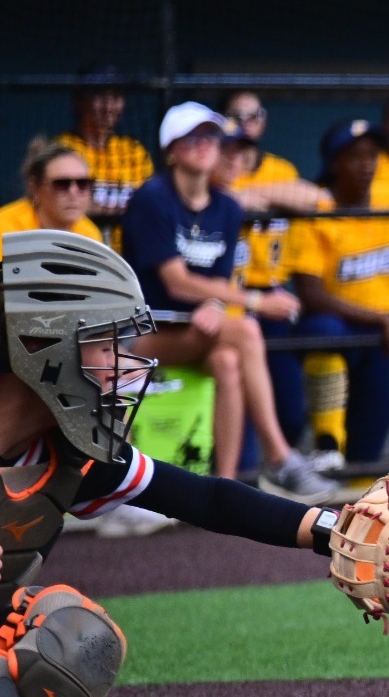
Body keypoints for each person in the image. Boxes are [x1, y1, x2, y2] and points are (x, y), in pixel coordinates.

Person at [0, 229, 389, 697]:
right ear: (38, 345)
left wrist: (336, 528)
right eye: (103, 345)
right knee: (62, 641)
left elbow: (203, 495)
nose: (122, 367)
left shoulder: (68, 452)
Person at [120, 103, 335, 497]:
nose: (204, 145)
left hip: (197, 333)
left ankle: (225, 486)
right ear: (170, 149)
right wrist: (253, 301)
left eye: (210, 138)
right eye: (191, 138)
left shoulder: (227, 207)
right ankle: (280, 457)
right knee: (249, 329)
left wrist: (215, 307)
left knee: (228, 359)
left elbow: (214, 282)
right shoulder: (153, 198)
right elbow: (177, 281)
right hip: (140, 337)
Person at [289, 119, 389, 468]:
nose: (366, 165)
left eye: (372, 155)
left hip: (385, 330)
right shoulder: (318, 209)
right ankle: (326, 443)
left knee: (367, 456)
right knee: (321, 330)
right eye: (354, 157)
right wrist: (381, 319)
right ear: (334, 163)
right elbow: (310, 294)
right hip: (344, 328)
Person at [219, 92, 322, 463]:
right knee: (240, 425)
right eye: (236, 114)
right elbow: (215, 196)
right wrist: (239, 198)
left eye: (254, 114)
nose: (246, 120)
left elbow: (312, 197)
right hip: (228, 299)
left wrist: (245, 194)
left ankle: (281, 463)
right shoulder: (212, 171)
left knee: (291, 412)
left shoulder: (279, 168)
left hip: (272, 300)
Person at [56, 66, 153, 222]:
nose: (108, 107)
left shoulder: (134, 151)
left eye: (116, 97)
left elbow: (150, 207)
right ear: (80, 101)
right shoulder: (62, 149)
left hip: (126, 244)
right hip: (80, 242)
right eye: (99, 96)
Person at [5, 141, 106, 247]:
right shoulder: (7, 229)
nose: (73, 192)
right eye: (61, 184)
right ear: (35, 187)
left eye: (83, 183)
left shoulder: (89, 234)